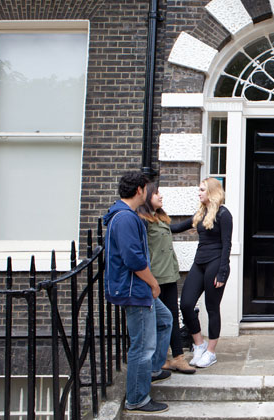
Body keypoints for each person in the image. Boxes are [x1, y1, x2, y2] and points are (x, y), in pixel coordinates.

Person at [103, 171, 172, 414]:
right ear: (140, 190)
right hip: (136, 289)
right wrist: (153, 283)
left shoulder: (126, 216)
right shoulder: (125, 219)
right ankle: (137, 398)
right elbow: (133, 259)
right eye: (147, 188)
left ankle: (152, 370)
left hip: (138, 288)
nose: (150, 192)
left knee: (165, 320)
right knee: (142, 346)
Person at [136, 183, 196, 374]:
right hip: (154, 278)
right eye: (156, 194)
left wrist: (198, 216)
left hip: (168, 275)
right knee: (157, 320)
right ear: (147, 198)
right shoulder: (142, 221)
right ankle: (159, 359)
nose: (160, 196)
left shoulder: (159, 218)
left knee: (170, 317)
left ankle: (177, 357)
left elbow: (176, 228)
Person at [177, 178, 232, 368]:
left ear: (212, 192)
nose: (198, 193)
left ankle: (211, 352)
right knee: (185, 304)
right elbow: (176, 227)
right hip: (199, 263)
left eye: (202, 189)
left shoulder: (224, 214)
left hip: (216, 264)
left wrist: (222, 273)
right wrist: (151, 221)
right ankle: (198, 344)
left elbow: (227, 245)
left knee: (212, 307)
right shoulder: (201, 213)